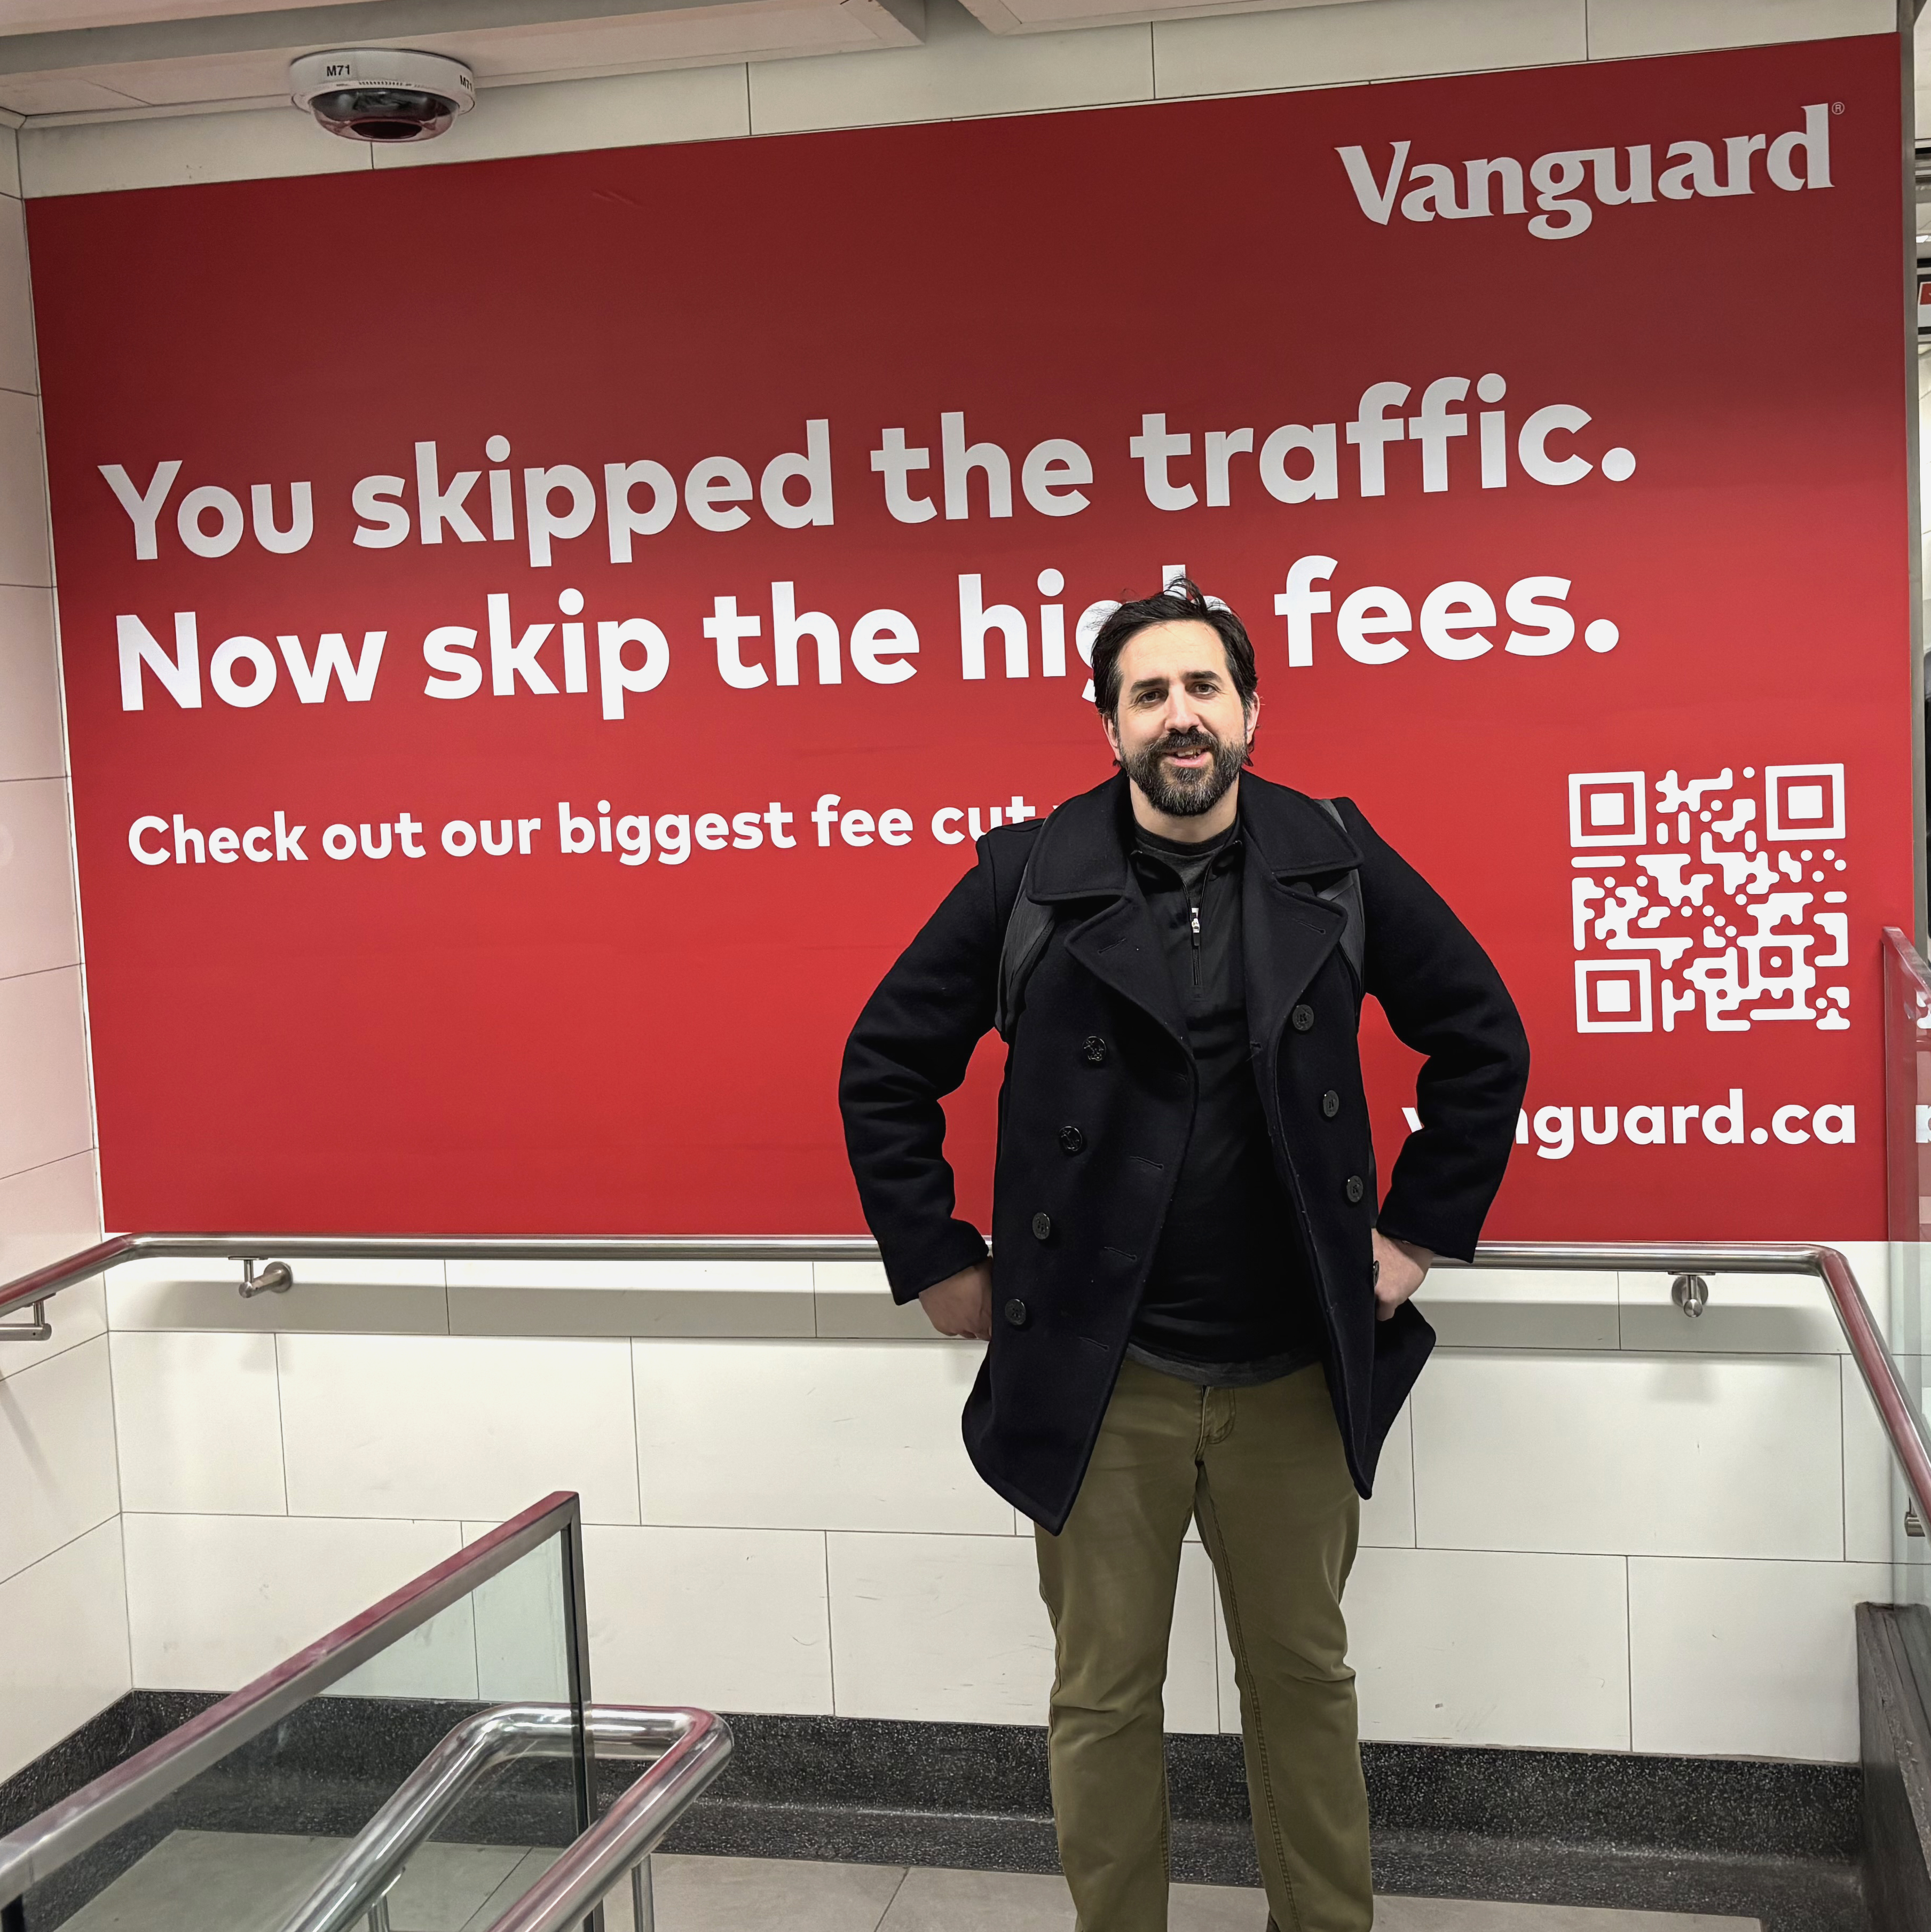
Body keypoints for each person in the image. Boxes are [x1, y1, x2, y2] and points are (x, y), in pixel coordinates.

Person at [839, 578, 1530, 1932]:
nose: (1180, 716)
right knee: (1103, 1699)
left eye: (1203, 687)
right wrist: (937, 1256)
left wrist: (1414, 1233)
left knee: (1306, 1686)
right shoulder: (1027, 878)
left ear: (1251, 710)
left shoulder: (1334, 859)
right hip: (1105, 1378)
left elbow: (1482, 1037)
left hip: (1292, 1367)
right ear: (1110, 727)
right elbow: (884, 1065)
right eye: (1148, 694)